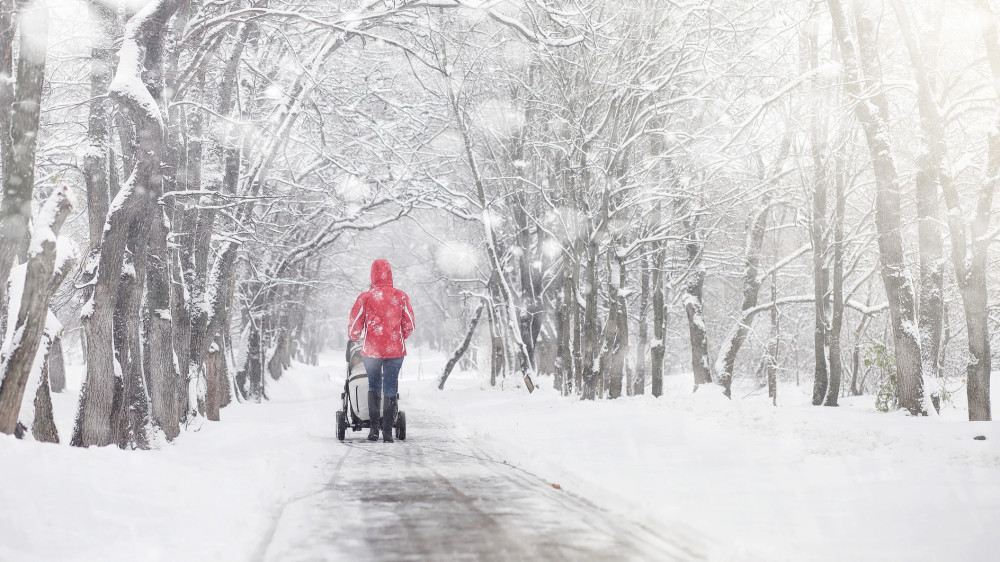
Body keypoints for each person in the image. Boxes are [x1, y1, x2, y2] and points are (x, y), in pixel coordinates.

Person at [347, 259, 414, 443]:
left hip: (372, 350)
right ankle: (388, 433)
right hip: (395, 349)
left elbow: (354, 326)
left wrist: (357, 336)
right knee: (390, 386)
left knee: (374, 385)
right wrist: (397, 337)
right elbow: (409, 325)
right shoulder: (401, 297)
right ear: (390, 274)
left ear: (372, 275)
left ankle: (374, 430)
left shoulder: (366, 298)